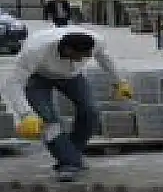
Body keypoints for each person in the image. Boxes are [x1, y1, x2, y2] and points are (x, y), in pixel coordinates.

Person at [0, 26, 132, 181]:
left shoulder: (94, 41)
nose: (87, 57)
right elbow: (12, 83)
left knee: (90, 111)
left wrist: (120, 82)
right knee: (48, 121)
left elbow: (105, 59)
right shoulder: (35, 50)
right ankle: (69, 163)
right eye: (83, 55)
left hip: (72, 76)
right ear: (68, 50)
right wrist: (25, 114)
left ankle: (70, 155)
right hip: (38, 77)